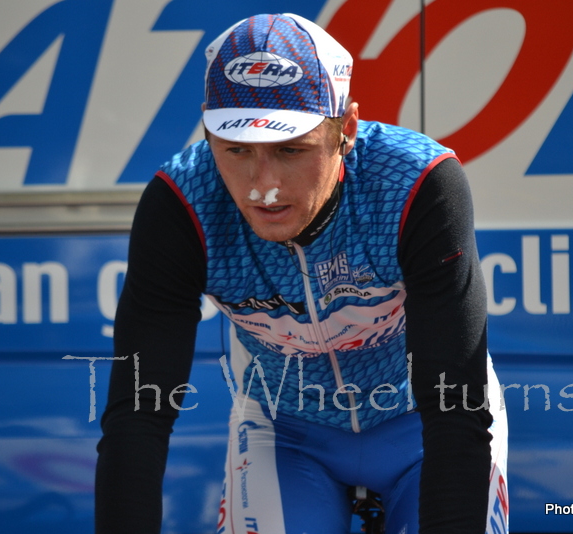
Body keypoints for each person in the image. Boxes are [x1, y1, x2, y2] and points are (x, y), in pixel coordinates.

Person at [95, 12, 508, 534]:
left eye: (291, 150)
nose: (262, 185)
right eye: (236, 149)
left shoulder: (416, 184)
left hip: (423, 426)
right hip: (283, 432)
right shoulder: (182, 204)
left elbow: (454, 411)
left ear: (346, 130)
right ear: (206, 130)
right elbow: (138, 412)